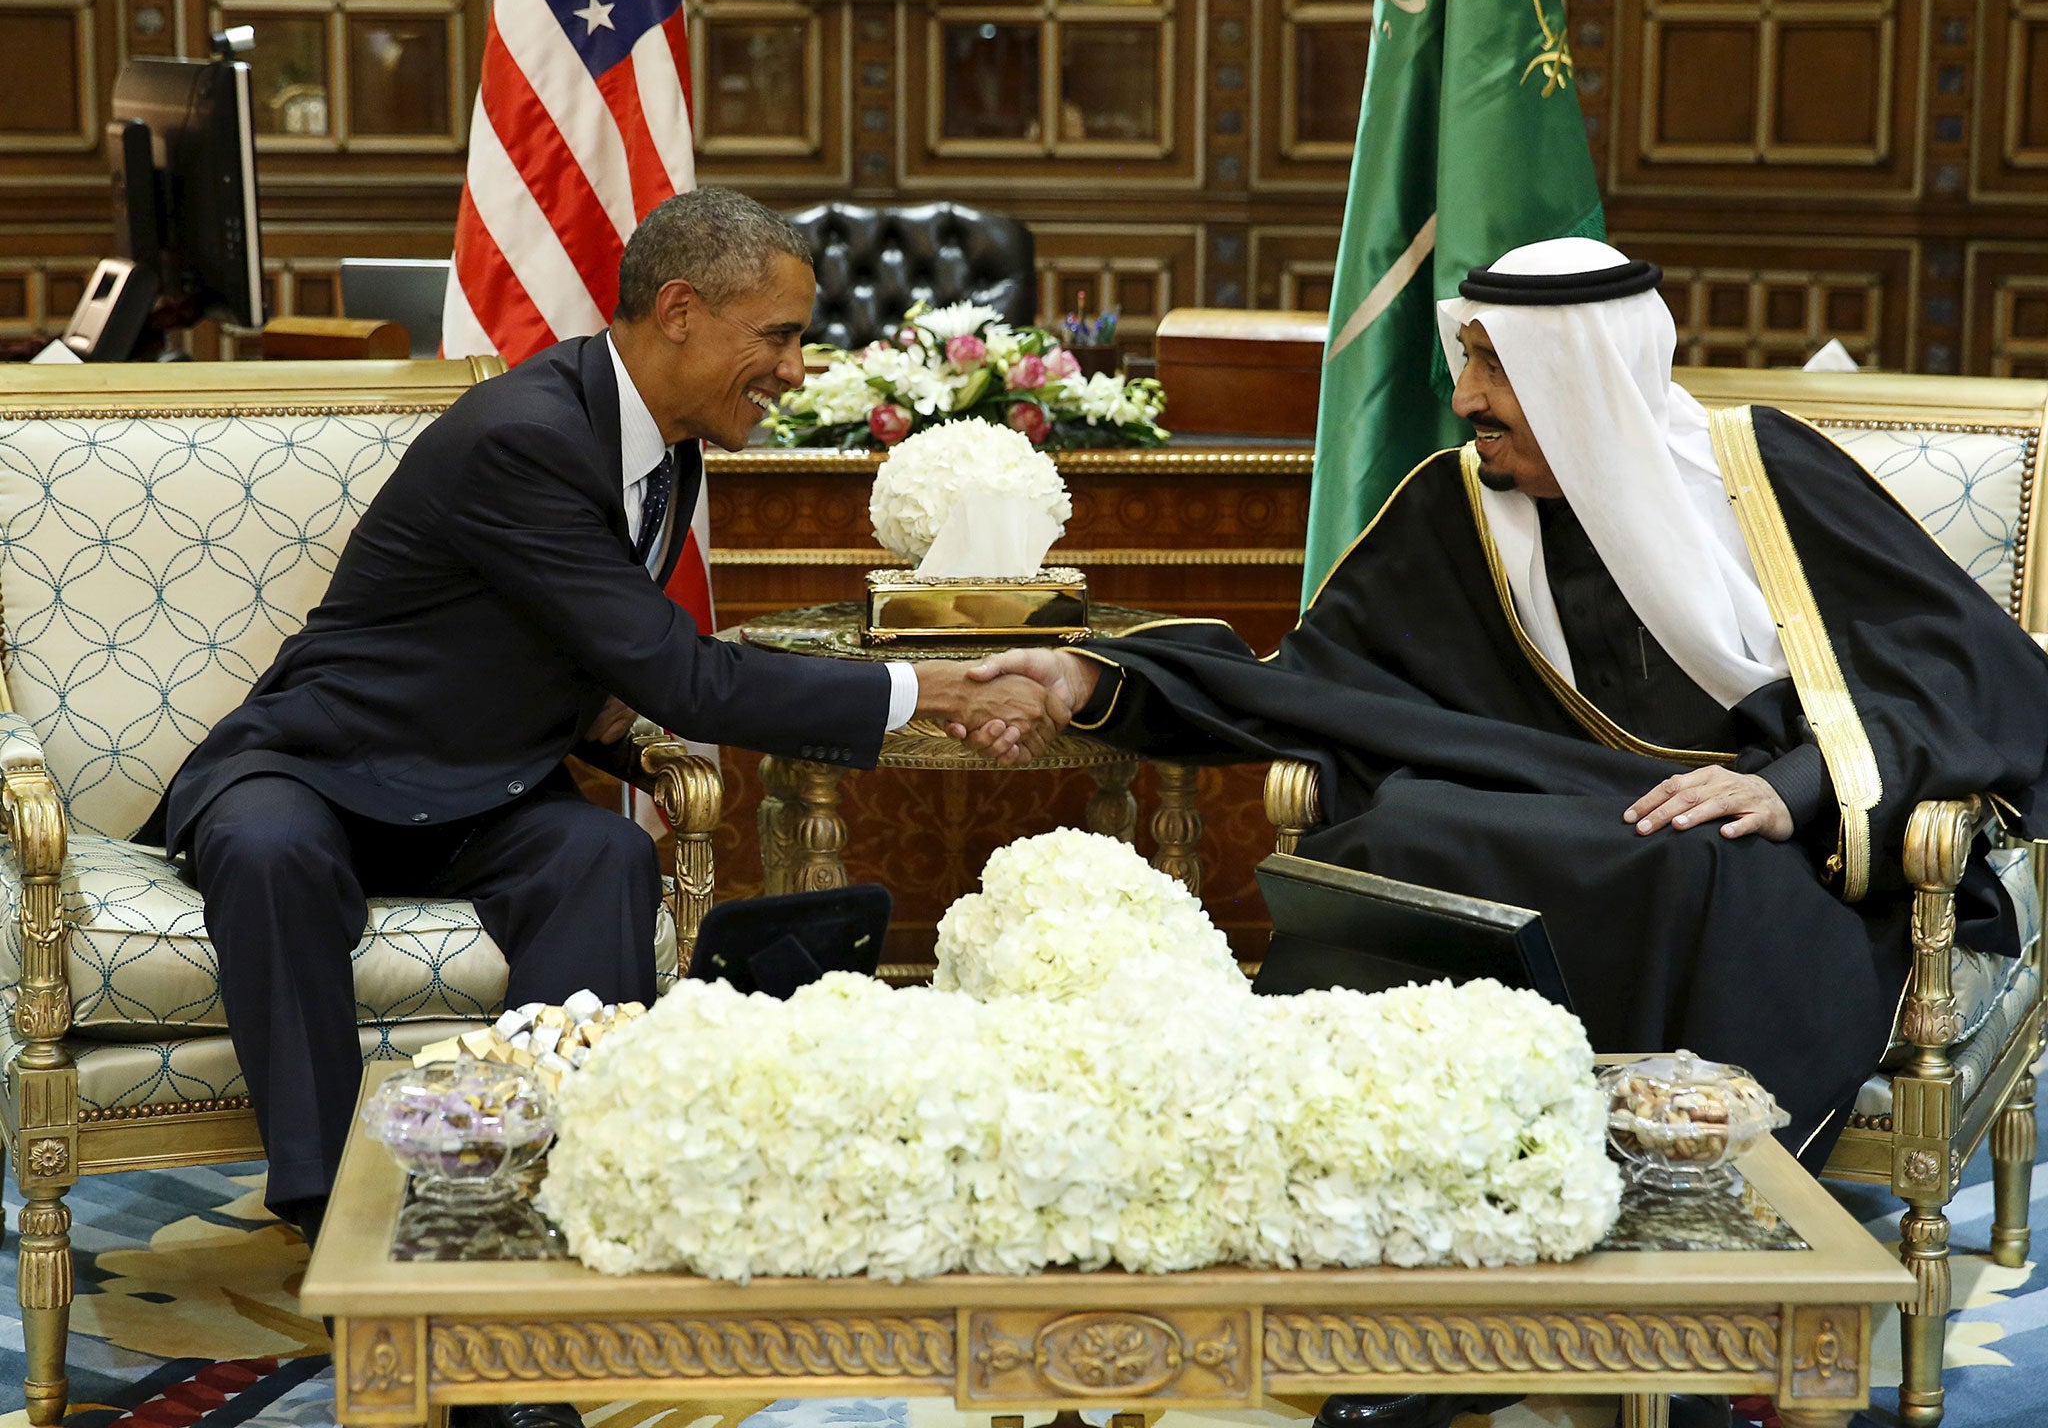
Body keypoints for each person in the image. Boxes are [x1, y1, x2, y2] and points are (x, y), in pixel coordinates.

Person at [141, 189, 1060, 1428]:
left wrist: (619, 733)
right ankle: (332, 1233)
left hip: (480, 783)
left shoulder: (659, 447)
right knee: (266, 849)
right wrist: (923, 688)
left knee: (594, 861)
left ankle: (534, 1217)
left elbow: (580, 651)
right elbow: (677, 667)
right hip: (315, 764)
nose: (794, 368)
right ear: (679, 312)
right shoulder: (526, 432)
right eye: (777, 335)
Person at [970, 236, 2048, 1163]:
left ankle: (1688, 1248)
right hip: (1548, 814)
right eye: (1467, 358)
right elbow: (1309, 692)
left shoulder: (1758, 474)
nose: (1464, 398)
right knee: (1399, 837)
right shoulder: (1454, 509)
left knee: (1683, 861)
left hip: (1753, 855)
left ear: (1585, 378)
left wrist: (1796, 786)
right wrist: (1095, 676)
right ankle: (1400, 1200)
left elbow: (1970, 672)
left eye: (1496, 366)